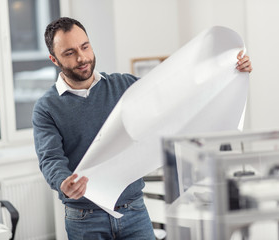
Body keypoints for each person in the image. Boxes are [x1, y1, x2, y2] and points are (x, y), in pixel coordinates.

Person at [32, 17, 252, 240]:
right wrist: (63, 182)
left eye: (85, 47)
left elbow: (177, 92)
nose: (82, 58)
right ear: (54, 59)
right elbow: (50, 159)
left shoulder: (123, 86)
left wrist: (229, 69)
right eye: (69, 53)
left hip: (134, 211)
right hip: (84, 218)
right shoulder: (47, 107)